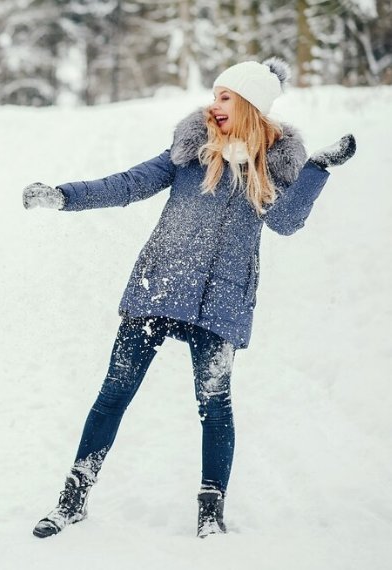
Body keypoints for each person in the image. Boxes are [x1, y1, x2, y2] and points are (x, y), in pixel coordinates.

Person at [21, 58, 356, 539]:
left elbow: (285, 222)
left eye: (224, 97)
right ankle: (72, 499)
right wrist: (64, 196)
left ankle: (210, 513)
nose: (212, 104)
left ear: (249, 105)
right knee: (114, 393)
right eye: (214, 94)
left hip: (222, 303)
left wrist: (317, 168)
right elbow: (130, 183)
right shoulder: (190, 150)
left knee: (214, 404)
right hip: (159, 288)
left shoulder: (276, 166)